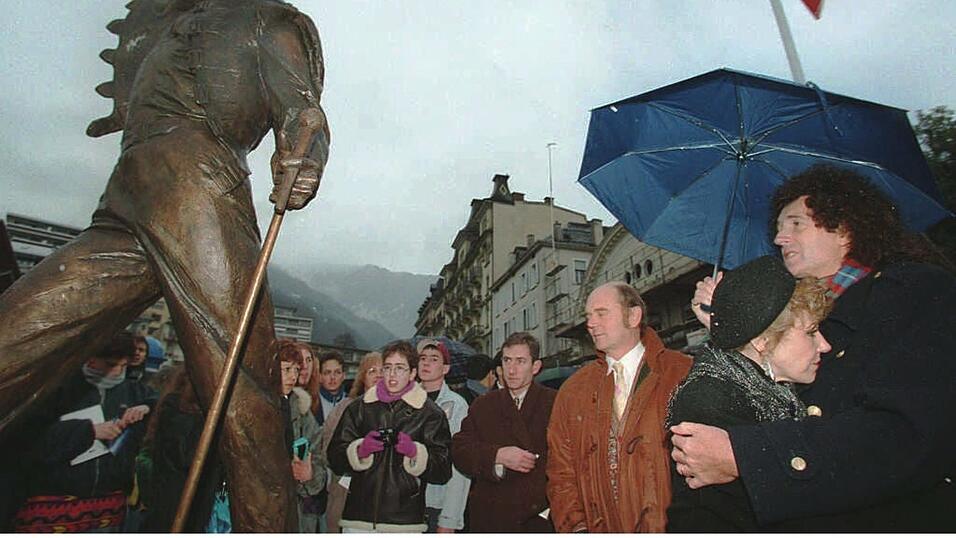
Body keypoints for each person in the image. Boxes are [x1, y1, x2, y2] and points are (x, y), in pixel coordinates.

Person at [0, 1, 330, 530]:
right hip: (126, 199)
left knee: (246, 396)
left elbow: (304, 113)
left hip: (199, 190)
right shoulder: (168, 22)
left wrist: (305, 160)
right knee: (17, 334)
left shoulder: (272, 21)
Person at [672, 164, 956, 531]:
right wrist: (735, 333)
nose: (779, 239)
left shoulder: (916, 292)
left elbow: (907, 435)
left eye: (795, 224)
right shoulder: (791, 314)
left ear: (844, 230)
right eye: (777, 228)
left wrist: (746, 455)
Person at [665, 255, 831, 531]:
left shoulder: (770, 386)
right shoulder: (710, 401)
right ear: (762, 341)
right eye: (811, 332)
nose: (824, 345)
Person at [546, 282, 692, 532]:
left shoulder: (681, 372)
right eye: (588, 316)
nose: (591, 323)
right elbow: (561, 470)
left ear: (634, 316)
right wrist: (577, 528)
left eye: (601, 313)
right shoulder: (573, 390)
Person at [13, 332, 156, 532]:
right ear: (90, 359)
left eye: (123, 366)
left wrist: (145, 408)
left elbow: (160, 403)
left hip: (109, 511)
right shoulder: (58, 389)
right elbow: (31, 439)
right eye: (110, 365)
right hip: (52, 509)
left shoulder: (135, 391)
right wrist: (88, 431)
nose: (116, 372)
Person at [328, 340, 452, 533]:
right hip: (358, 520)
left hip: (405, 522)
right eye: (388, 367)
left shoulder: (430, 413)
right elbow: (334, 458)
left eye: (400, 368)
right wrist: (360, 450)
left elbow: (443, 470)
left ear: (412, 373)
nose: (392, 374)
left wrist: (415, 453)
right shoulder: (358, 408)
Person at [451, 332, 557, 532]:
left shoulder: (555, 402)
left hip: (538, 517)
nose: (512, 369)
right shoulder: (483, 405)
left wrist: (550, 509)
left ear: (536, 367)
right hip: (492, 516)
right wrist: (497, 455)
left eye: (520, 361)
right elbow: (459, 450)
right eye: (507, 360)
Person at [320, 352, 383, 533]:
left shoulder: (396, 410)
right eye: (372, 371)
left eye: (382, 370)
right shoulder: (346, 407)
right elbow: (327, 452)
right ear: (362, 377)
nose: (378, 375)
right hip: (344, 489)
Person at [416, 339, 470, 533]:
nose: (426, 363)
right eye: (422, 358)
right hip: (404, 503)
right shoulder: (406, 400)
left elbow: (459, 464)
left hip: (436, 503)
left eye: (433, 359)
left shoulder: (457, 405)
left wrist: (449, 518)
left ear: (446, 368)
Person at [275, 341, 327, 533]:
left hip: (294, 511)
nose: (293, 376)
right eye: (286, 369)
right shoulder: (253, 407)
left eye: (296, 370)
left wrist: (310, 474)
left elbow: (320, 459)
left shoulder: (301, 409)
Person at [317, 352, 347, 426]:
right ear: (320, 377)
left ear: (344, 376)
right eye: (327, 372)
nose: (332, 377)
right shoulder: (311, 402)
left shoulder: (351, 403)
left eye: (337, 372)